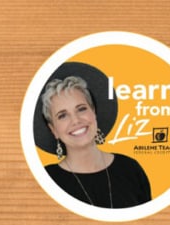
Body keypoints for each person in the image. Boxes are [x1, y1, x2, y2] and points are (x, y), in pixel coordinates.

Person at [34, 63, 151, 208]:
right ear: (53, 130)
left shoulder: (130, 168)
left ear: (94, 112)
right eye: (62, 115)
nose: (76, 120)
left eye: (81, 109)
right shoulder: (44, 180)